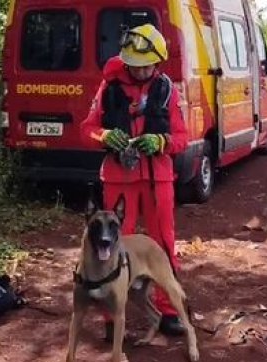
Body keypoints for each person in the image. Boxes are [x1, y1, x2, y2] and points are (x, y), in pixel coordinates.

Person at [81, 24, 188, 339]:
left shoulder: (167, 89)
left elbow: (182, 137)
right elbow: (86, 129)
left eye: (146, 66)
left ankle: (169, 312)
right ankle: (113, 317)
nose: (140, 72)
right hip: (119, 179)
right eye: (135, 66)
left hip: (158, 179)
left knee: (163, 244)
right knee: (110, 247)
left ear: (158, 62)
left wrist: (161, 141)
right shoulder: (109, 88)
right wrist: (104, 135)